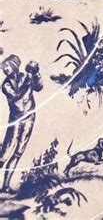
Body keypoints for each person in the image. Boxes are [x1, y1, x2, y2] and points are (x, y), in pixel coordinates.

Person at [0, 55, 43, 193]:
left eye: (5, 67)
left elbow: (38, 87)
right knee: (5, 153)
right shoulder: (6, 84)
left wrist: (36, 74)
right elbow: (14, 97)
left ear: (14, 66)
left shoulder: (27, 76)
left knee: (18, 153)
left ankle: (5, 186)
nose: (4, 70)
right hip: (16, 120)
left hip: (29, 118)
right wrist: (28, 81)